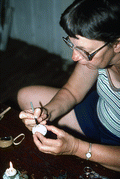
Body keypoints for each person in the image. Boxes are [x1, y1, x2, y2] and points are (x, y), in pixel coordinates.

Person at [18, 0, 120, 172]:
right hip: (99, 114)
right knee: (26, 95)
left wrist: (76, 148)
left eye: (84, 51)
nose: (74, 57)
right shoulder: (96, 53)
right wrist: (46, 113)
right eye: (72, 45)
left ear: (117, 44)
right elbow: (72, 92)